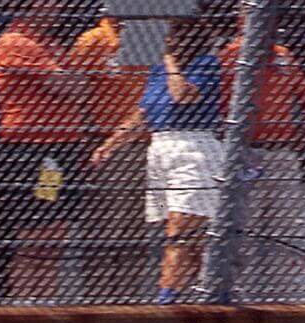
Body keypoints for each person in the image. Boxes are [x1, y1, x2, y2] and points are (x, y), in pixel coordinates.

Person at [92, 17, 220, 304]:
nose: (167, 41)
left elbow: (182, 95)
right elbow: (143, 114)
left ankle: (167, 297)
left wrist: (171, 60)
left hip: (192, 151)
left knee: (179, 228)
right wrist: (110, 144)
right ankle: (202, 291)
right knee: (175, 230)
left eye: (172, 35)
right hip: (160, 153)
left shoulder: (206, 64)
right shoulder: (158, 70)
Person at [0, 0, 88, 303]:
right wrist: (70, 82)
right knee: (34, 233)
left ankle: (46, 301)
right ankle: (25, 304)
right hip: (35, 150)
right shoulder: (16, 42)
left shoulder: (50, 44)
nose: (58, 10)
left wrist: (71, 82)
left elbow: (78, 86)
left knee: (54, 232)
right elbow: (68, 86)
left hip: (59, 151)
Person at [219, 14, 305, 301]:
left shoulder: (282, 56)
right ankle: (237, 293)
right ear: (241, 19)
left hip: (281, 151)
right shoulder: (229, 56)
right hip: (246, 150)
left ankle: (282, 297)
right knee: (244, 225)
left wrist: (303, 134)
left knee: (284, 227)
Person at [69, 4, 152, 303]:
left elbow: (151, 91)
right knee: (104, 228)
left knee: (134, 230)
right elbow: (75, 92)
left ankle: (127, 299)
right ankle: (99, 299)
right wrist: (84, 141)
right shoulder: (92, 40)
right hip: (105, 143)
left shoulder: (147, 37)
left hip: (144, 144)